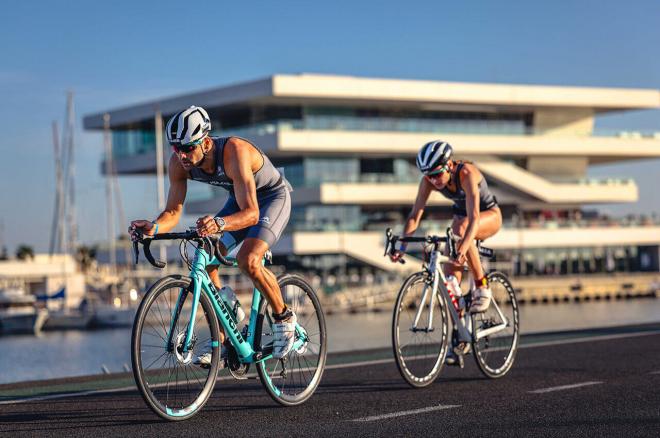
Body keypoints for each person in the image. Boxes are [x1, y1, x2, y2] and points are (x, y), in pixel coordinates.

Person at [129, 105, 295, 362]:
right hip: (239, 201)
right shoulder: (179, 164)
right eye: (176, 148)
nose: (181, 155)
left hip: (271, 199)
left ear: (206, 143)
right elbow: (173, 211)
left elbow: (251, 214)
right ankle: (223, 339)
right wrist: (154, 227)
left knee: (248, 260)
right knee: (204, 256)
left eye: (187, 148)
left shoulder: (234, 152)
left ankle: (284, 317)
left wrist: (218, 224)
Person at [390, 140, 502, 313]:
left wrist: (463, 248)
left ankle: (482, 285)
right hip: (460, 226)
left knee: (461, 229)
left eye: (436, 174)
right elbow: (414, 215)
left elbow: (473, 218)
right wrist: (402, 246)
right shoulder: (428, 181)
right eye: (429, 176)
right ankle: (461, 334)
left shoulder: (466, 173)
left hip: (489, 216)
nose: (434, 180)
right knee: (450, 285)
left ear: (449, 164)